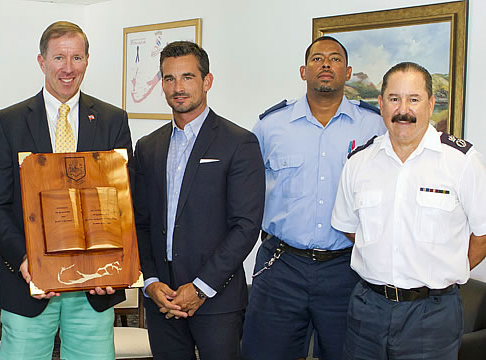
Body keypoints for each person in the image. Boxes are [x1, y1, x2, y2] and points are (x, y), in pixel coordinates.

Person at [0, 21, 130, 360]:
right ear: (41, 61)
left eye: (77, 57)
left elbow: (122, 203)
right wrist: (24, 258)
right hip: (28, 283)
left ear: (88, 61)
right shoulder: (8, 122)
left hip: (95, 284)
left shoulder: (112, 120)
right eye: (59, 57)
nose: (68, 68)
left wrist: (112, 265)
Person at [242, 36, 386, 360]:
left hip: (347, 269)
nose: (325, 64)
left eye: (334, 59)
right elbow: (245, 189)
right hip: (281, 265)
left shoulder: (374, 126)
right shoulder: (270, 125)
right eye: (317, 58)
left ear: (347, 72)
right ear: (303, 70)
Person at [331, 62, 486, 359]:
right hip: (368, 309)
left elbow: (483, 233)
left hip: (433, 313)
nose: (403, 110)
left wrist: (448, 269)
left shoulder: (462, 162)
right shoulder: (359, 163)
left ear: (430, 103)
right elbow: (351, 228)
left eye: (413, 99)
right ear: (380, 104)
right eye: (394, 99)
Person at [133, 41, 264, 360]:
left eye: (187, 77)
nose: (178, 87)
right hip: (161, 298)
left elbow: (245, 227)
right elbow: (140, 222)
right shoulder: (148, 147)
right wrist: (150, 281)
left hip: (216, 301)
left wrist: (201, 287)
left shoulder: (239, 143)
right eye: (169, 78)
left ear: (207, 81)